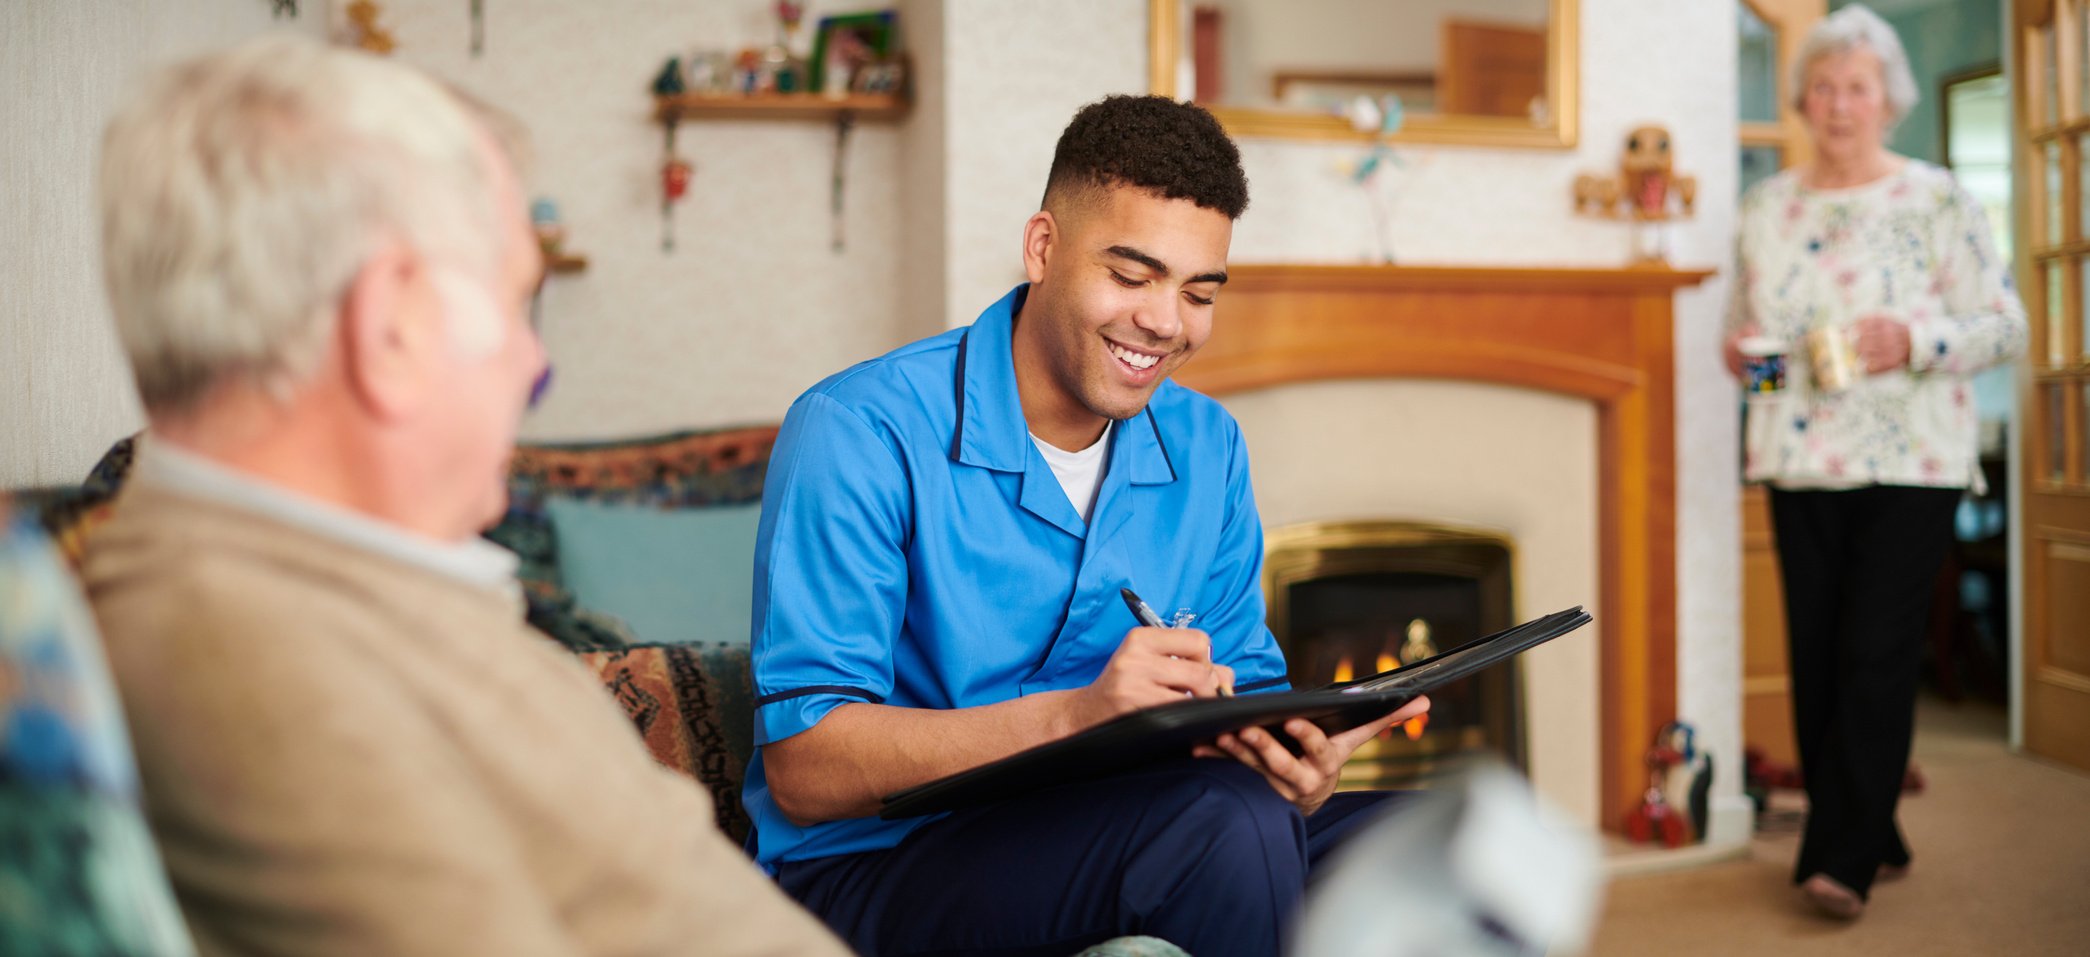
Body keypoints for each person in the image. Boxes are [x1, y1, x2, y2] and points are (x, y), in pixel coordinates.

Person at [79, 36, 847, 956]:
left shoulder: (328, 588)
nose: (537, 363)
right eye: (518, 302)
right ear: (389, 328)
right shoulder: (253, 669)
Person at [745, 94, 1430, 956]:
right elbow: (805, 769)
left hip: (1129, 824)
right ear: (1043, 247)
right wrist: (1080, 714)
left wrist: (1293, 760)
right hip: (875, 867)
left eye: (1198, 290)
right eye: (1132, 275)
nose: (1165, 322)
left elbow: (1246, 696)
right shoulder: (857, 431)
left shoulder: (1208, 445)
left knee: (1433, 836)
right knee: (1224, 827)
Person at [1721, 4, 2027, 921]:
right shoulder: (1766, 207)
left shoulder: (1937, 197)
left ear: (1887, 99)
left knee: (1874, 653)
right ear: (1804, 101)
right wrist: (1753, 366)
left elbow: (2004, 324)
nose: (1840, 103)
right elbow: (1751, 353)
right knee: (1815, 656)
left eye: (1857, 86)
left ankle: (1840, 856)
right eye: (1824, 86)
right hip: (1798, 458)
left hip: (1913, 462)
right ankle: (1874, 826)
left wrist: (1916, 338)